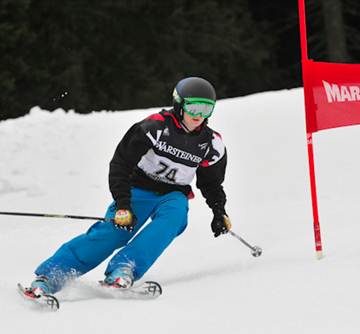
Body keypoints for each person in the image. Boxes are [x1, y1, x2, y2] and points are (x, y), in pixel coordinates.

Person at [23, 77, 231, 297]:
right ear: (179, 104)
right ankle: (51, 275)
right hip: (138, 189)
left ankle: (125, 267)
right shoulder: (154, 128)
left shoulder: (212, 144)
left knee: (175, 218)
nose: (199, 115)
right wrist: (123, 205)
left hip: (173, 194)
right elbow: (121, 165)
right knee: (115, 233)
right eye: (193, 107)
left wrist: (219, 212)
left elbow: (211, 182)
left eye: (207, 109)